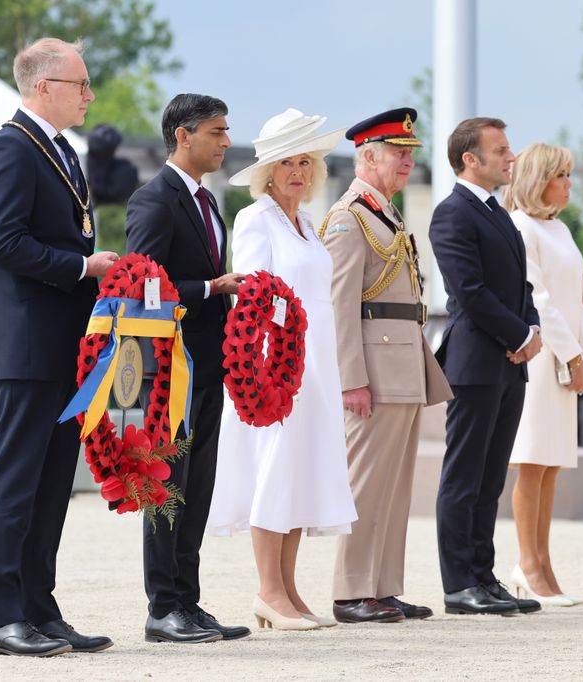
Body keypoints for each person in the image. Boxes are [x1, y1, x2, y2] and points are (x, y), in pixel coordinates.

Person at [0, 37, 117, 657]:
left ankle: (39, 607)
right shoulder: (12, 147)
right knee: (16, 482)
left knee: (55, 481)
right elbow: (3, 245)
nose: (89, 95)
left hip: (65, 344)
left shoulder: (60, 151)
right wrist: (85, 267)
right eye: (80, 84)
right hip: (28, 342)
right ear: (44, 88)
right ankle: (0, 616)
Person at [206, 108, 357, 631]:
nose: (297, 171)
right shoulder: (256, 220)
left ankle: (289, 589)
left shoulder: (309, 224)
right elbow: (251, 298)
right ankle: (268, 590)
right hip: (276, 366)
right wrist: (268, 368)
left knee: (301, 472)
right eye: (286, 163)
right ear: (267, 171)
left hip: (317, 363)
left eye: (304, 161)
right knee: (273, 471)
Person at [125, 93, 249, 644]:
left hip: (209, 362)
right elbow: (139, 285)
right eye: (216, 131)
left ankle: (188, 601)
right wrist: (208, 288)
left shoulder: (207, 201)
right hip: (171, 368)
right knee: (168, 487)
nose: (225, 141)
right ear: (183, 135)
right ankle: (162, 607)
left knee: (198, 486)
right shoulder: (155, 200)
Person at [321, 108, 451, 624]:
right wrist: (351, 378)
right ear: (367, 156)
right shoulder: (349, 218)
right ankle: (352, 590)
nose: (407, 162)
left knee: (395, 488)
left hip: (402, 363)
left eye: (410, 153)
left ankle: (382, 586)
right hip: (373, 369)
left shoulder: (386, 213)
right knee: (367, 484)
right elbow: (340, 306)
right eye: (398, 153)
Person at [429, 118, 542, 617]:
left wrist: (532, 330)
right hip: (476, 361)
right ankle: (459, 584)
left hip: (509, 361)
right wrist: (518, 334)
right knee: (464, 476)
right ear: (469, 159)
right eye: (500, 150)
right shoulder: (452, 214)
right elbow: (469, 292)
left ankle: (482, 574)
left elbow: (522, 287)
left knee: (491, 476)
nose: (510, 157)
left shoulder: (497, 212)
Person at [503, 142, 583, 606]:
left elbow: (574, 299)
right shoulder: (521, 226)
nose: (568, 184)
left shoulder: (559, 228)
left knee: (551, 464)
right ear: (540, 180)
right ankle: (527, 562)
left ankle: (544, 561)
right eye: (562, 176)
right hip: (541, 357)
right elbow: (538, 299)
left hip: (568, 354)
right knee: (533, 462)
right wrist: (572, 354)